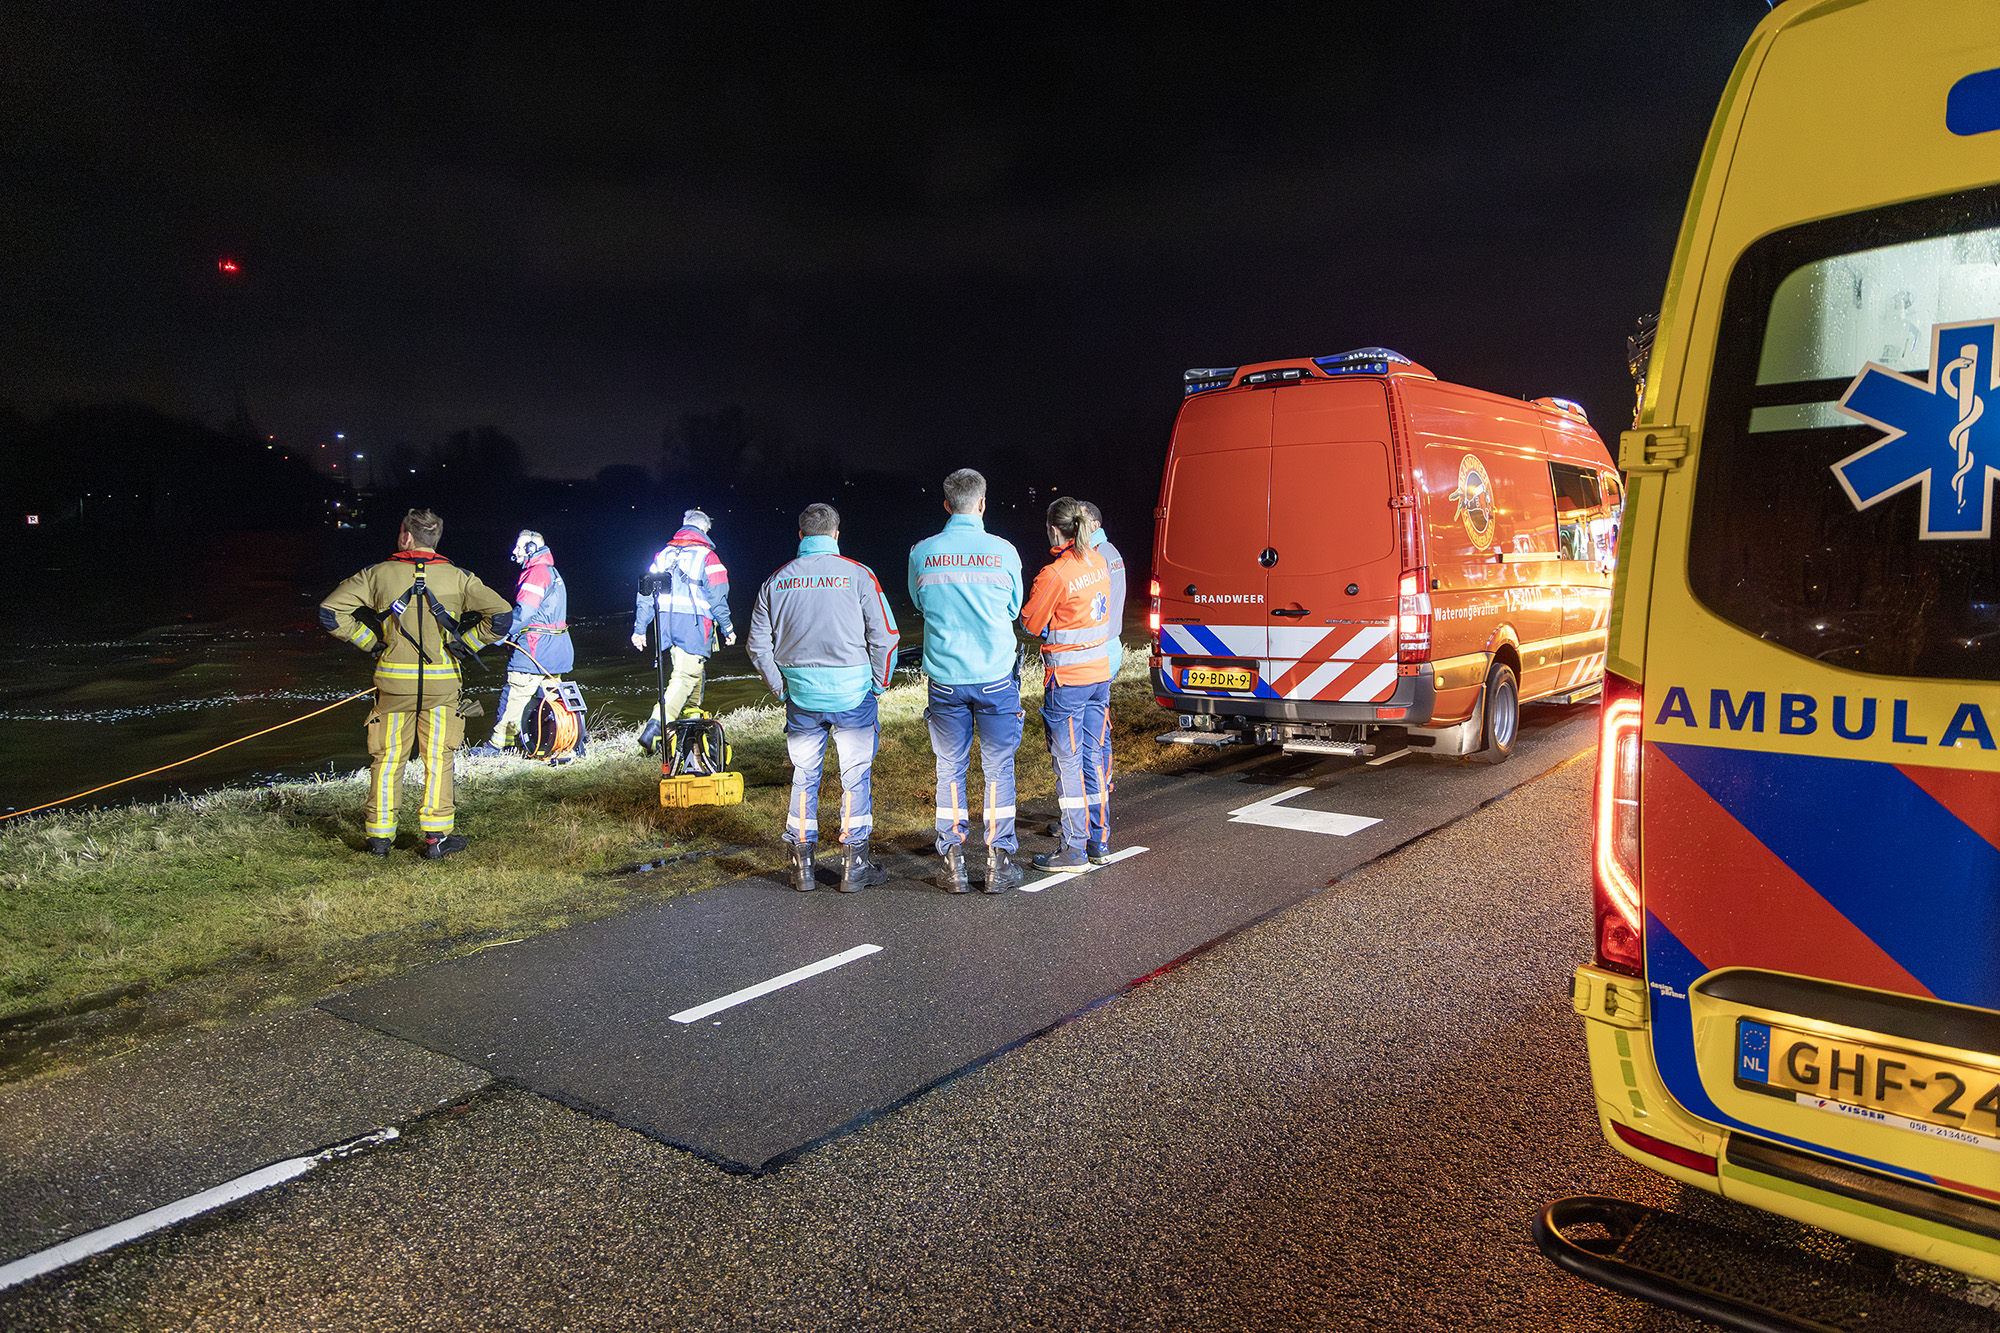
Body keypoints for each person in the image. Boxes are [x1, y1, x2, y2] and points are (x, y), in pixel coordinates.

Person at [319, 509, 512, 859]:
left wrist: (370, 642)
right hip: (442, 687)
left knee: (388, 759)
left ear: (406, 536)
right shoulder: (458, 577)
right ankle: (436, 839)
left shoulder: (376, 574)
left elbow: (330, 612)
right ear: (434, 539)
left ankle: (379, 839)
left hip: (393, 687)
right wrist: (466, 644)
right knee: (439, 759)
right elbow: (501, 615)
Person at [748, 503, 900, 893]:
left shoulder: (776, 580)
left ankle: (802, 869)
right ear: (835, 534)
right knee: (855, 778)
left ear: (801, 536)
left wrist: (780, 686)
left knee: (804, 776)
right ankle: (855, 867)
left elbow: (757, 645)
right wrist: (879, 683)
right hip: (853, 696)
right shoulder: (859, 575)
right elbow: (884, 635)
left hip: (801, 697)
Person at [908, 468, 1026, 894]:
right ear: (982, 502)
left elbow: (919, 601)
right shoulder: (1004, 551)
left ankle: (953, 862)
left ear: (946, 505)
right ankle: (998, 862)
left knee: (950, 769)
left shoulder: (923, 552)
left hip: (945, 680)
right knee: (998, 769)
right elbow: (1014, 608)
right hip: (995, 676)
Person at [1021, 497, 1113, 872]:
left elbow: (1029, 623)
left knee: (1069, 764)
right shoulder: (1099, 561)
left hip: (1068, 682)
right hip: (1098, 677)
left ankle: (1072, 849)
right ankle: (1098, 840)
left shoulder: (1055, 573)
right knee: (1093, 756)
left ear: (1053, 529)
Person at [631, 508, 734, 753]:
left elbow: (645, 594)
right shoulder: (708, 557)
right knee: (685, 677)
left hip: (666, 627)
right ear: (704, 530)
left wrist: (639, 629)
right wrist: (728, 627)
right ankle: (656, 728)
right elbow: (718, 597)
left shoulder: (662, 555)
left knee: (692, 673)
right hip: (694, 626)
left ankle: (692, 732)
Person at [467, 530, 573, 757]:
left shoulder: (535, 573)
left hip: (534, 649)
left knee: (514, 695)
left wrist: (499, 633)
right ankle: (563, 742)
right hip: (555, 649)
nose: (514, 551)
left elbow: (524, 614)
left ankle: (496, 747)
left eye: (519, 547)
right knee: (552, 698)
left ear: (532, 549)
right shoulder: (551, 572)